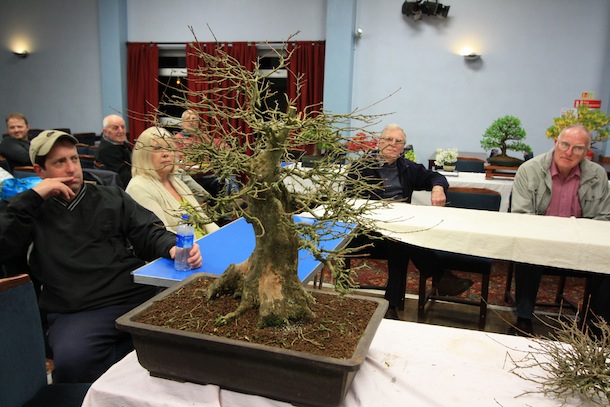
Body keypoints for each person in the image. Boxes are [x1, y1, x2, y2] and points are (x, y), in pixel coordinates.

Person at [0, 130, 202, 383]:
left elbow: (148, 231)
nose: (71, 168)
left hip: (134, 295)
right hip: (78, 310)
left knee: (191, 333)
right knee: (74, 363)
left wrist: (172, 247)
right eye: (59, 162)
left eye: (74, 159)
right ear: (40, 171)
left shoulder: (110, 197)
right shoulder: (30, 211)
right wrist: (34, 195)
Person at [347, 124, 474, 319]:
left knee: (399, 241)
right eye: (389, 139)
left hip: (395, 230)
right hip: (366, 231)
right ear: (379, 142)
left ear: (403, 147)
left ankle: (392, 306)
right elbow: (351, 200)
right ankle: (439, 278)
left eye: (398, 142)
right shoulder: (361, 168)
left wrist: (437, 188)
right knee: (402, 239)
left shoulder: (406, 167)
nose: (393, 144)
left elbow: (436, 176)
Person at [510, 124, 610, 335]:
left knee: (607, 261)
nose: (569, 152)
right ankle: (524, 319)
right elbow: (521, 215)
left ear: (586, 151)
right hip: (540, 242)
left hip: (583, 245)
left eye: (578, 148)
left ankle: (596, 326)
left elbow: (604, 217)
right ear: (556, 143)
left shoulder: (597, 175)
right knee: (527, 252)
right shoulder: (529, 170)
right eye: (565, 144)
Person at [126, 126, 219, 236]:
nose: (166, 153)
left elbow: (205, 220)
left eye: (169, 147)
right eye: (158, 148)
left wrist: (221, 237)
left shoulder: (176, 181)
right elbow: (161, 236)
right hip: (185, 246)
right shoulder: (138, 188)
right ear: (143, 155)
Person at [95, 114, 132, 187]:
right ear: (105, 132)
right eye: (115, 128)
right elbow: (124, 178)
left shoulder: (123, 144)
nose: (121, 131)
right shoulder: (107, 151)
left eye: (123, 127)